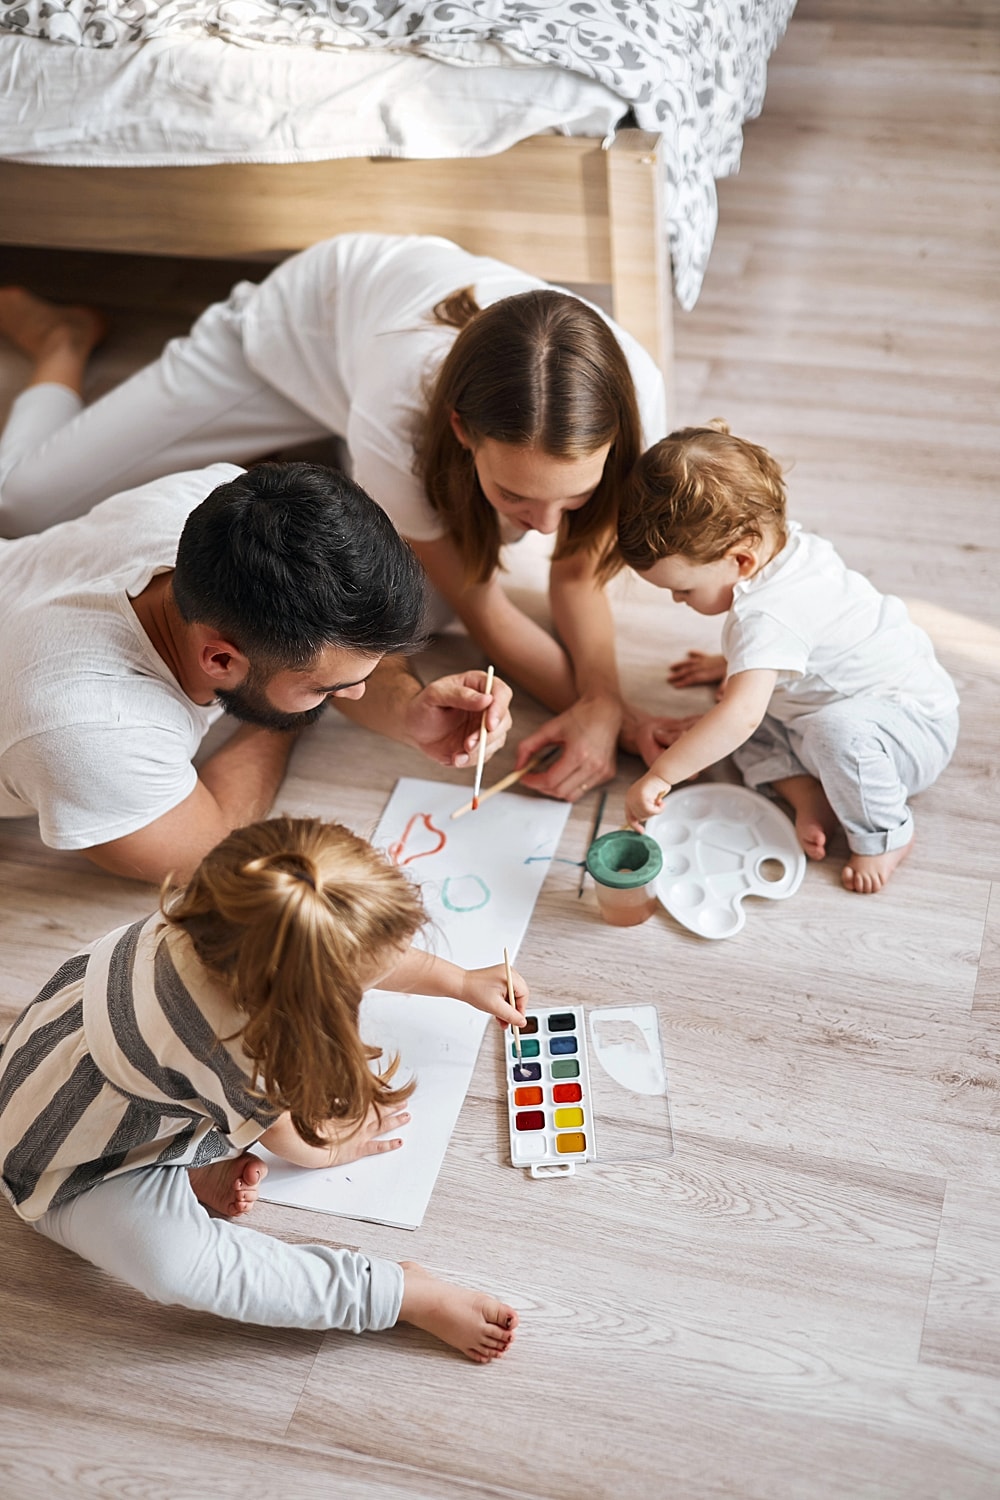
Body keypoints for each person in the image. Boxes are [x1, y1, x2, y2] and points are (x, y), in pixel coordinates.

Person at [0, 233, 667, 802]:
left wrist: (610, 709)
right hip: (292, 343)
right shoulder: (400, 407)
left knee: (402, 615)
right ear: (462, 433)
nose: (544, 528)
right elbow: (485, 609)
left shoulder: (630, 398)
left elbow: (577, 577)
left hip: (375, 381)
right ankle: (63, 342)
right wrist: (605, 715)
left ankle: (321, 462)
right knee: (21, 502)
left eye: (574, 496)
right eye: (516, 496)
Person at [0, 815, 525, 1362]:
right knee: (178, 1268)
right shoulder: (238, 1048)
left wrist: (460, 982)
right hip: (65, 1160)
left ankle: (192, 1160)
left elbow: (347, 944)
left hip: (66, 1063)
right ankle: (395, 1293)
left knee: (210, 1101)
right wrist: (335, 1145)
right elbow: (297, 1143)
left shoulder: (222, 914)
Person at [0, 459, 511, 885]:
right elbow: (215, 848)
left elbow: (342, 643)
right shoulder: (90, 733)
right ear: (220, 659)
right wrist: (289, 720)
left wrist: (404, 707)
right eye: (326, 689)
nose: (355, 695)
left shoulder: (230, 505)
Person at [618, 422, 959, 894]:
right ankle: (810, 795)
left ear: (741, 561)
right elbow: (794, 638)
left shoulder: (767, 617)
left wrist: (661, 775)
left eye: (683, 589)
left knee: (758, 723)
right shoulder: (787, 550)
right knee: (735, 721)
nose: (679, 601)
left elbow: (741, 708)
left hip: (908, 729)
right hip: (854, 709)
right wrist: (731, 665)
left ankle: (886, 835)